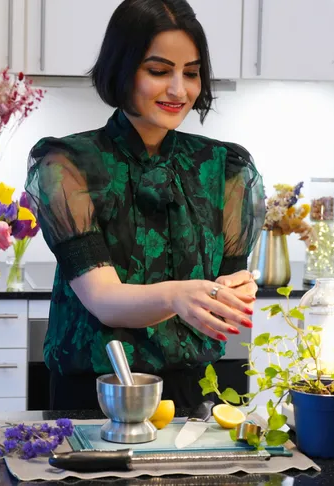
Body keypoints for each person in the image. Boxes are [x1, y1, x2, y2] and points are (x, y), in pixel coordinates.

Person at [25, 0, 266, 410]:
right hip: (93, 396)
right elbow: (104, 299)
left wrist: (233, 291)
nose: (179, 89)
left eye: (191, 73)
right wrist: (176, 296)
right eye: (158, 71)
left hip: (192, 394)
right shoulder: (68, 164)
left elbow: (222, 297)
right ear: (123, 69)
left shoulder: (224, 168)